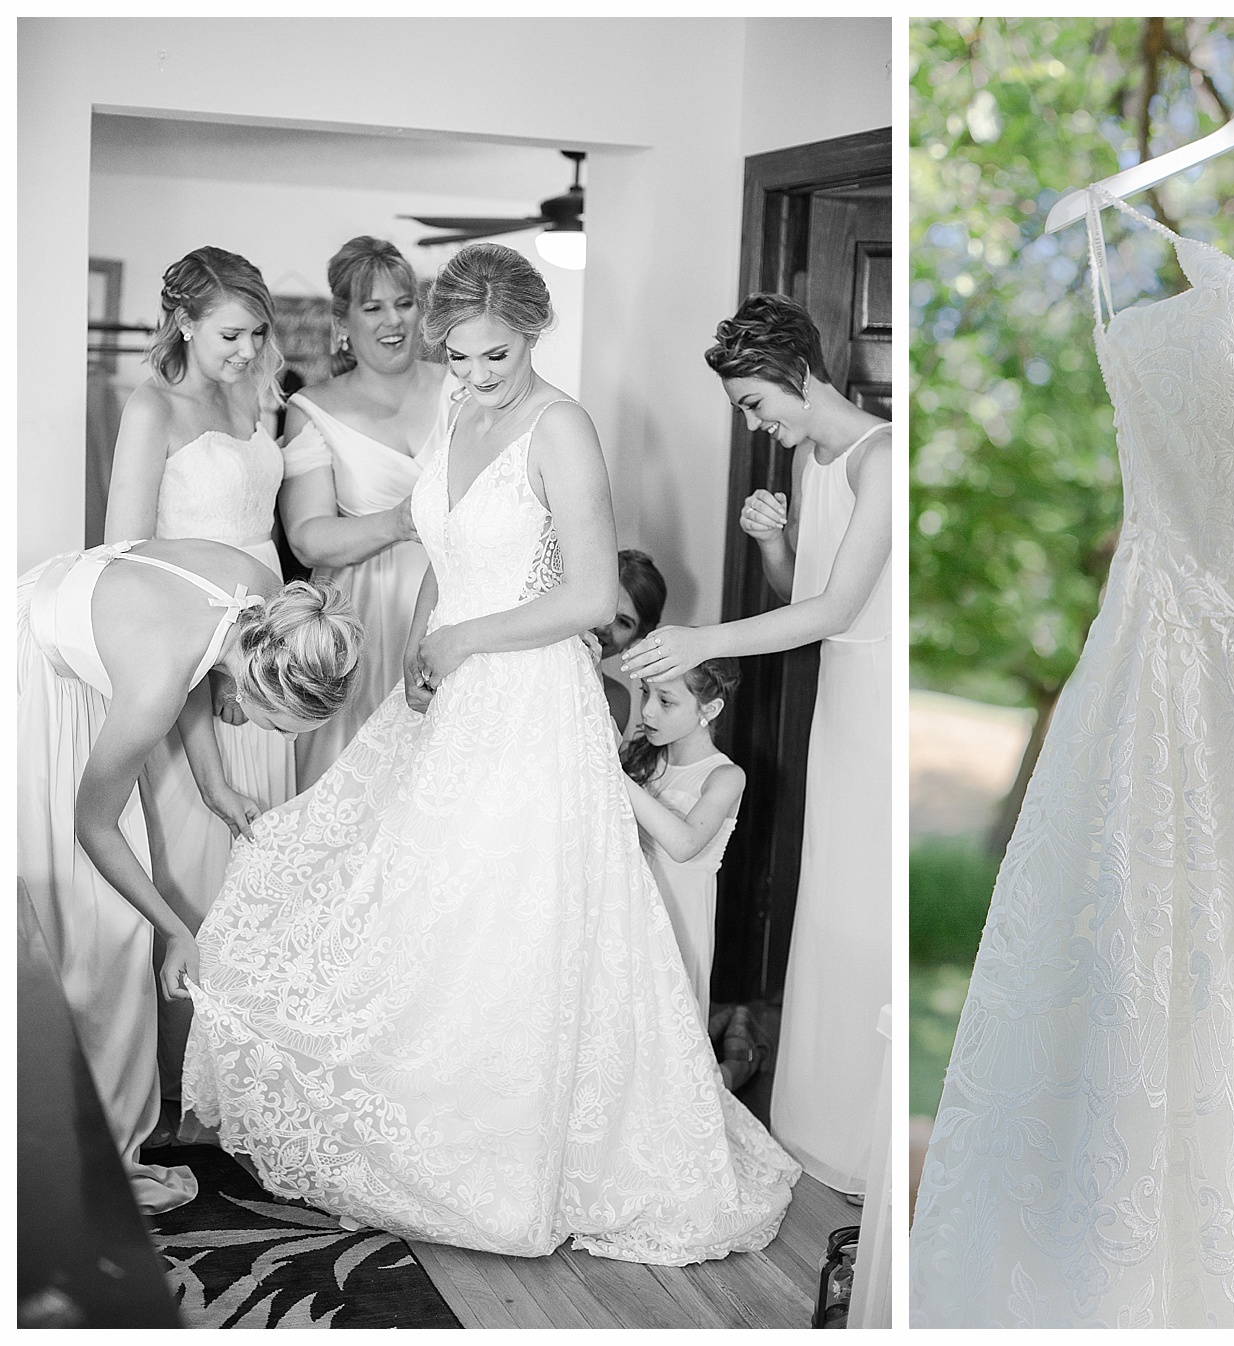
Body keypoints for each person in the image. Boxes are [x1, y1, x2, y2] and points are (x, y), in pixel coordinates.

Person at [183, 243, 799, 1262]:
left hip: (528, 701)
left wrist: (463, 639)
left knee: (505, 919)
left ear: (532, 331)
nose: (472, 377)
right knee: (403, 904)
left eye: (493, 358)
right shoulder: (459, 410)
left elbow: (592, 594)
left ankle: (511, 1163)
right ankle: (420, 1138)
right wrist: (425, 654)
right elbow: (450, 552)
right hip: (447, 686)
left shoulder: (562, 426)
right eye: (458, 358)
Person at [621, 292, 891, 1197]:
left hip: (883, 693)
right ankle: (817, 1118)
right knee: (834, 892)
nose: (755, 423)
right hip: (842, 697)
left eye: (754, 402)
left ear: (798, 374)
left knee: (870, 895)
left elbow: (844, 610)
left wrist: (701, 640)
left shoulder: (887, 455)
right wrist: (776, 547)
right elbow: (801, 596)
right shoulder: (818, 456)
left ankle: (870, 1132)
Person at [17, 536, 359, 1214]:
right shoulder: (152, 685)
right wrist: (175, 930)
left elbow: (200, 662)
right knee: (95, 928)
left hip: (96, 651)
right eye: (277, 726)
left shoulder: (260, 595)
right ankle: (66, 1147)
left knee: (107, 925)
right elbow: (96, 825)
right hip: (32, 682)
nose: (273, 736)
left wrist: (213, 785)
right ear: (260, 681)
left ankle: (97, 1127)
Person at [103, 246, 299, 1094]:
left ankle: (246, 1089)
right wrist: (209, 660)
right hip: (186, 651)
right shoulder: (154, 407)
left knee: (261, 866)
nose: (249, 349)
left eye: (258, 331)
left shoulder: (253, 390)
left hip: (264, 651)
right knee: (196, 867)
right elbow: (125, 559)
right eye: (230, 333)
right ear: (183, 321)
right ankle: (183, 1086)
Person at [279, 237, 459, 790]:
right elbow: (308, 538)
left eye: (404, 303)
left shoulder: (462, 385)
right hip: (365, 613)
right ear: (343, 322)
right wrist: (402, 521)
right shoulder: (311, 409)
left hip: (455, 602)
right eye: (373, 307)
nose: (394, 321)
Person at [620, 658, 746, 1019]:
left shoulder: (724, 776)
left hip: (679, 916)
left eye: (666, 701)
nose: (647, 712)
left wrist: (613, 774)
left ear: (710, 708)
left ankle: (739, 1054)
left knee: (667, 1024)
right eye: (645, 693)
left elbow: (684, 845)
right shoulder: (643, 758)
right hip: (632, 904)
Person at [580, 547, 667, 736]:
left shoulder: (615, 699)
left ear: (637, 636)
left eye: (623, 622)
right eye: (602, 607)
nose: (604, 627)